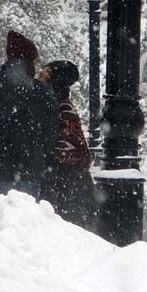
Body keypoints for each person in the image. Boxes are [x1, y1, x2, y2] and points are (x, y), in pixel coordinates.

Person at [0, 30, 59, 210]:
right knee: (24, 230)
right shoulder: (42, 92)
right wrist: (43, 165)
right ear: (29, 61)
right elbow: (50, 136)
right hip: (28, 171)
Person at [38, 60, 97, 230]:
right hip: (70, 188)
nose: (40, 76)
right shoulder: (58, 105)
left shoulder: (60, 109)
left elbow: (70, 151)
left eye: (45, 73)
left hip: (66, 191)